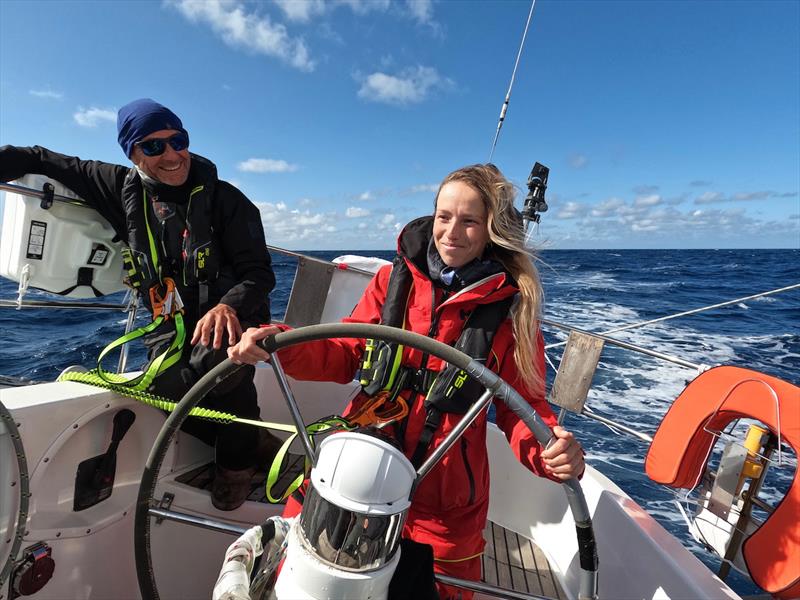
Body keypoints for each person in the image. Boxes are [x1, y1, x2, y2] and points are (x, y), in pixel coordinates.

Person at [228, 163, 585, 598]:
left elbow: (522, 407)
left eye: (470, 221)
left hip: (445, 494)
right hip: (358, 463)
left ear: (492, 230)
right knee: (302, 571)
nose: (452, 231)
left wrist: (549, 451)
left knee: (437, 590)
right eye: (444, 216)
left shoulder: (514, 314)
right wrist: (281, 344)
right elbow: (344, 352)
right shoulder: (389, 281)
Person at [0, 98, 281, 511]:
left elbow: (259, 272)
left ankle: (235, 466)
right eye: (153, 146)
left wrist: (229, 307)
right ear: (131, 153)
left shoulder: (229, 201)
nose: (171, 154)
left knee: (219, 371)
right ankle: (250, 440)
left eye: (177, 141)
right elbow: (42, 159)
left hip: (231, 316)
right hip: (168, 321)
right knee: (164, 388)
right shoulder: (117, 186)